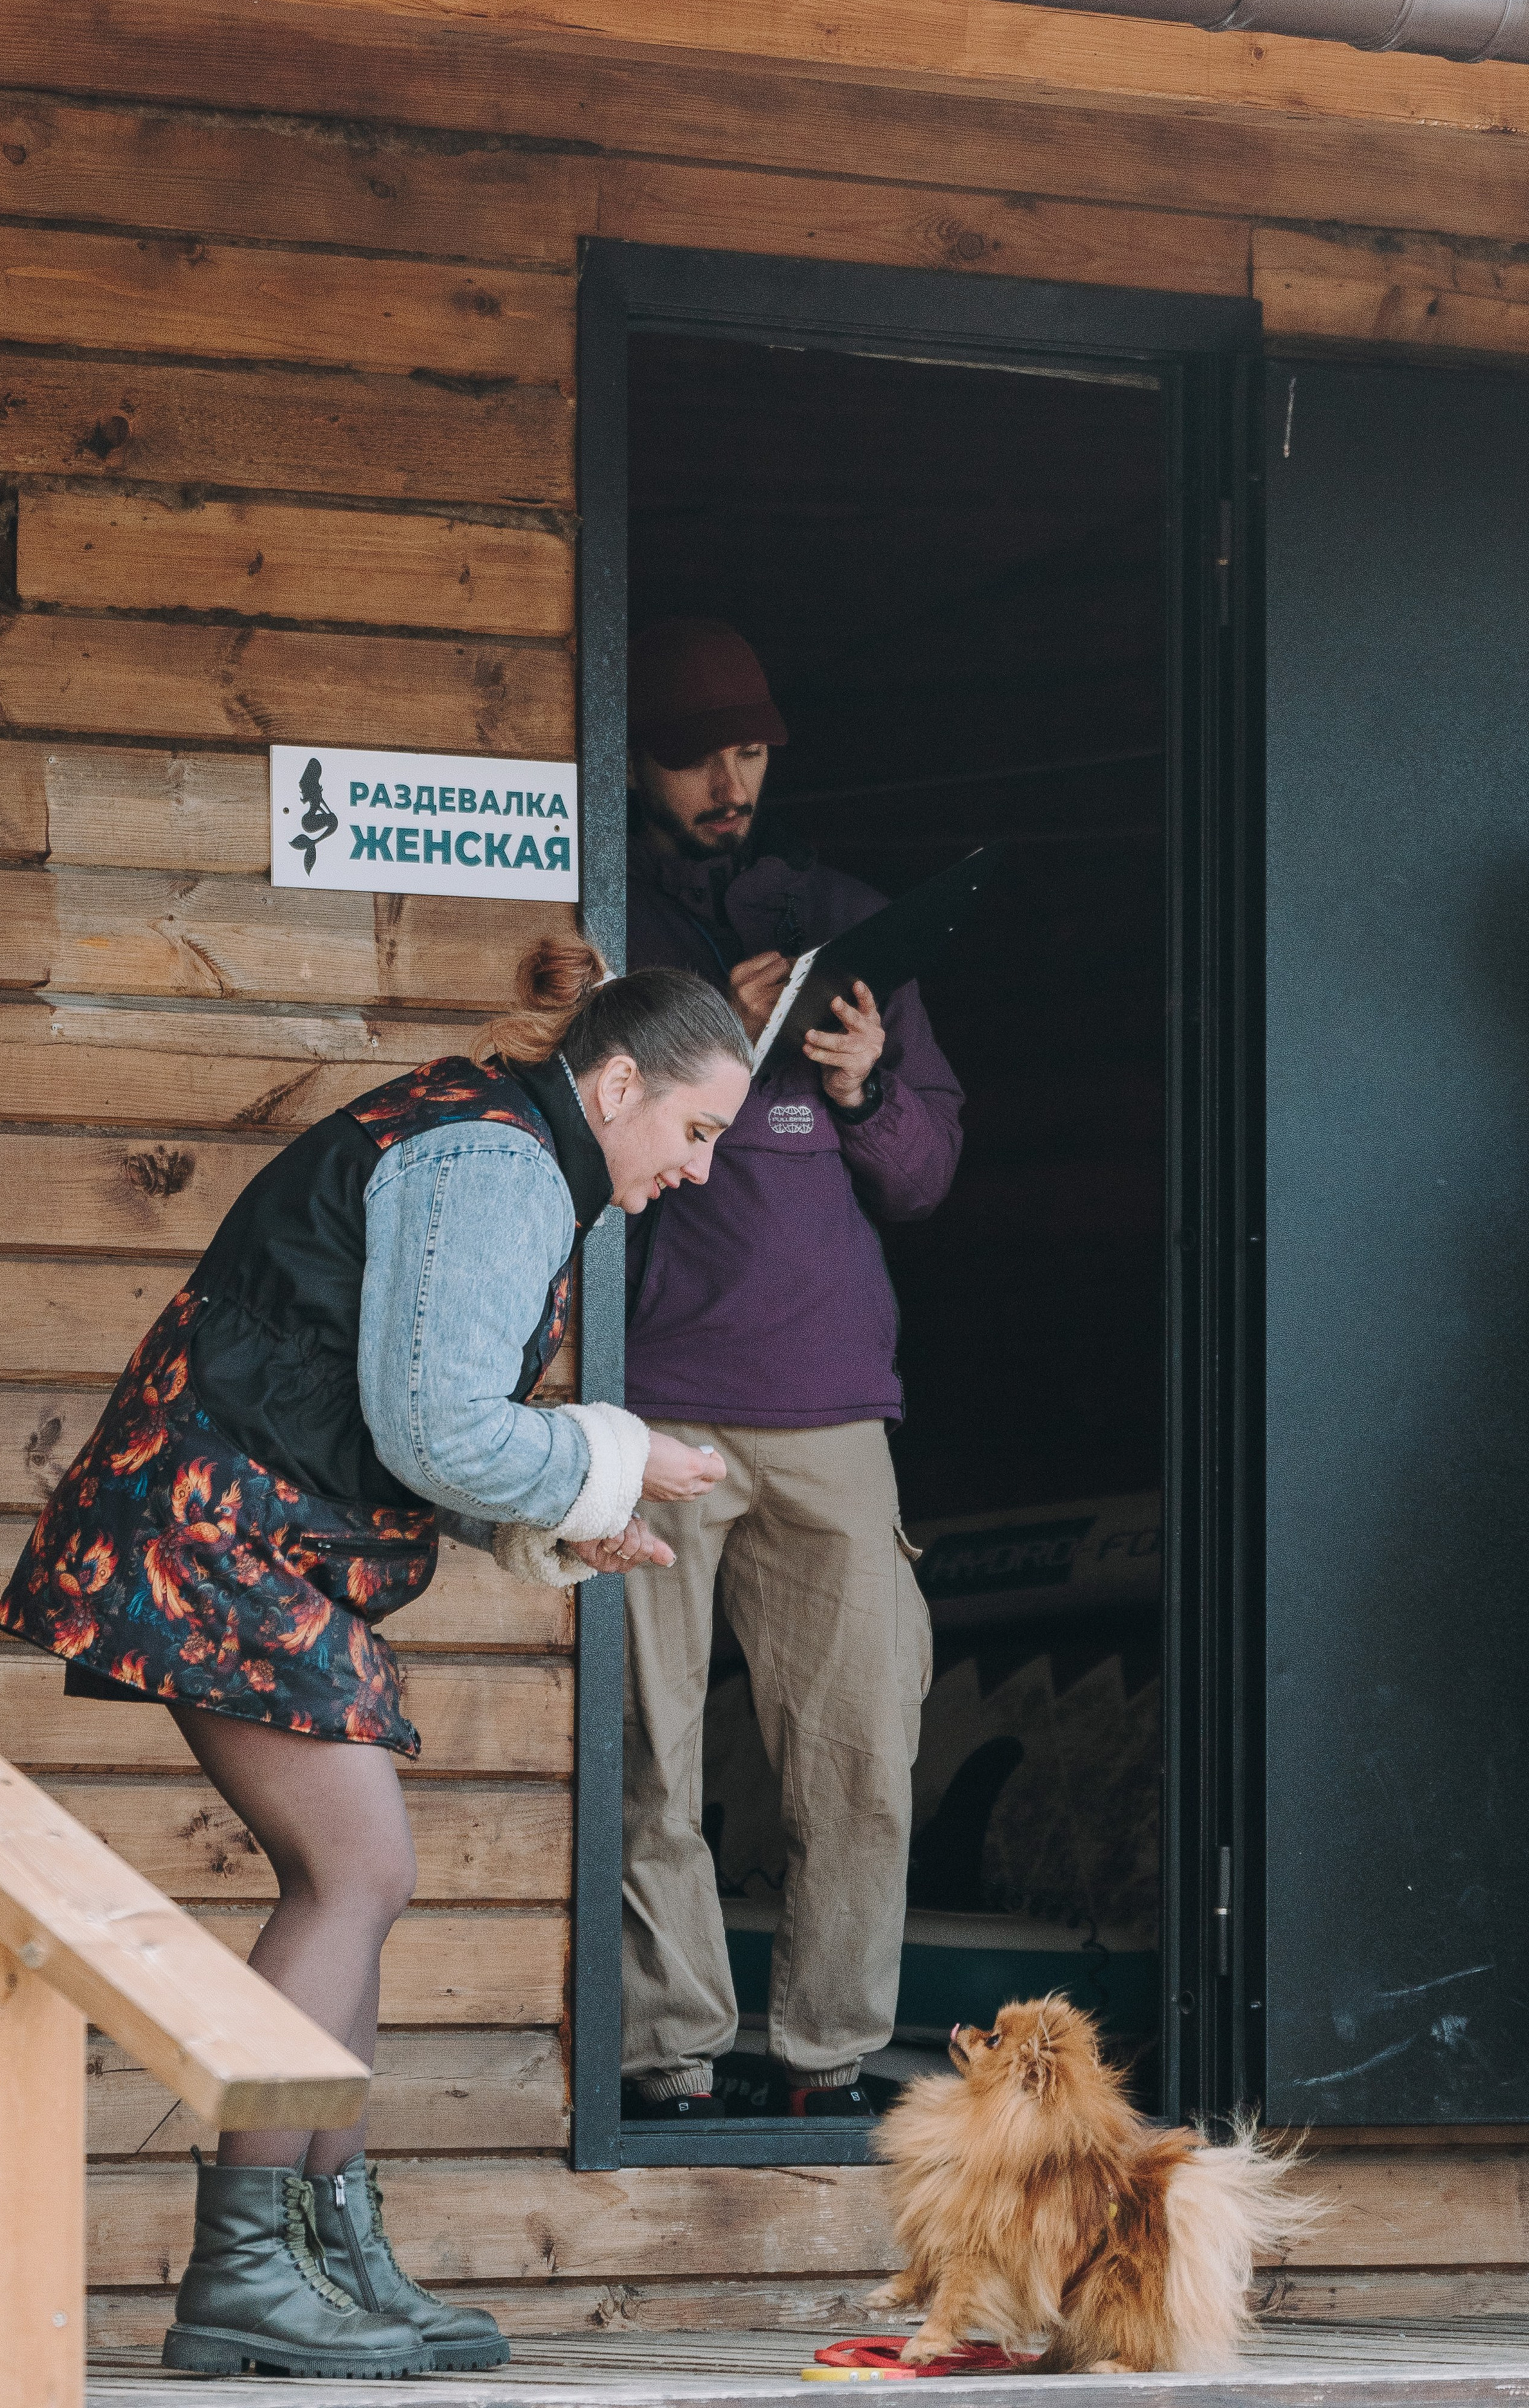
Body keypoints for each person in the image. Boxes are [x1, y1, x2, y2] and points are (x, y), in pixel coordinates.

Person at [0, 937, 752, 2379]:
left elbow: (389, 1410)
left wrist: (567, 1522)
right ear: (614, 1083)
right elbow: (440, 1429)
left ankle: (325, 2255)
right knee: (359, 1872)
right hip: (208, 1529)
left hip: (238, 1524)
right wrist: (617, 1453)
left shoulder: (492, 1137)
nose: (701, 1166)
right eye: (695, 1128)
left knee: (358, 1876)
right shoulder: (497, 1163)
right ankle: (248, 2268)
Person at [620, 617, 966, 2122]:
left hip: (835, 1406)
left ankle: (828, 2063)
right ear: (632, 751)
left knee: (861, 1759)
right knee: (649, 1756)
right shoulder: (608, 913)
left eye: (750, 749)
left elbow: (930, 1168)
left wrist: (861, 1076)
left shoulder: (847, 925)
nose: (727, 777)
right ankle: (670, 2057)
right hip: (653, 1392)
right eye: (697, 750)